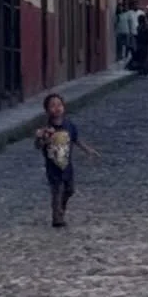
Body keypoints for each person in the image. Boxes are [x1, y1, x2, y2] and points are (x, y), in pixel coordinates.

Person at [34, 92, 98, 228]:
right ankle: (57, 217)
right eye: (52, 106)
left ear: (64, 107)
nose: (56, 108)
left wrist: (88, 150)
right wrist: (42, 138)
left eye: (59, 105)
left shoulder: (69, 125)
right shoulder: (46, 128)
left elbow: (75, 139)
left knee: (69, 190)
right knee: (56, 191)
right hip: (53, 166)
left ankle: (61, 207)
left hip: (67, 165)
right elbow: (38, 146)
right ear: (47, 110)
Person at [132, 12, 148, 76]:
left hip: (145, 44)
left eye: (139, 20)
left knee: (144, 57)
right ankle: (141, 70)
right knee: (140, 57)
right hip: (140, 44)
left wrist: (147, 40)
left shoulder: (146, 27)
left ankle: (145, 71)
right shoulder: (138, 27)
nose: (138, 21)